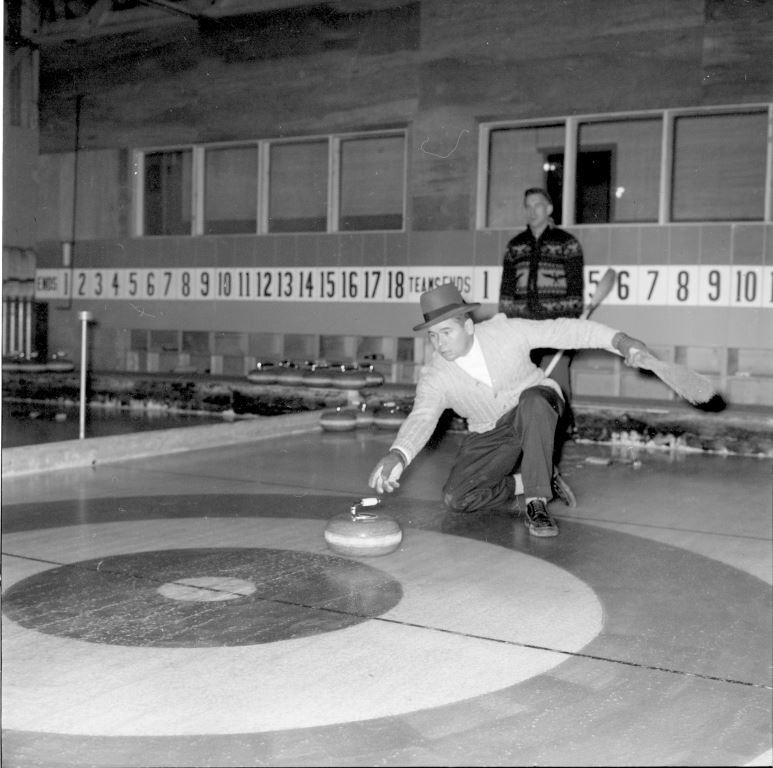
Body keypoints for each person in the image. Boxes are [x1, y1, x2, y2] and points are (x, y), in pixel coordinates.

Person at [367, 283, 649, 538]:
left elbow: (565, 330)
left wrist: (621, 342)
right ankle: (534, 480)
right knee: (458, 498)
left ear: (467, 326)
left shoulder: (506, 332)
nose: (439, 344)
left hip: (537, 405)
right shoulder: (436, 375)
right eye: (432, 336)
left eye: (446, 332)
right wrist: (398, 454)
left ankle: (536, 502)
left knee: (533, 402)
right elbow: (423, 416)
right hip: (491, 428)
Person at [498, 188, 584, 441]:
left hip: (555, 327)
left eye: (537, 205)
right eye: (527, 205)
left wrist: (567, 323)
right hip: (522, 328)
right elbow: (506, 290)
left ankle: (560, 432)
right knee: (522, 380)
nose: (531, 210)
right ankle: (524, 430)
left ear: (549, 210)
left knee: (557, 380)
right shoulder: (515, 246)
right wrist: (505, 322)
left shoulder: (567, 244)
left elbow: (575, 289)